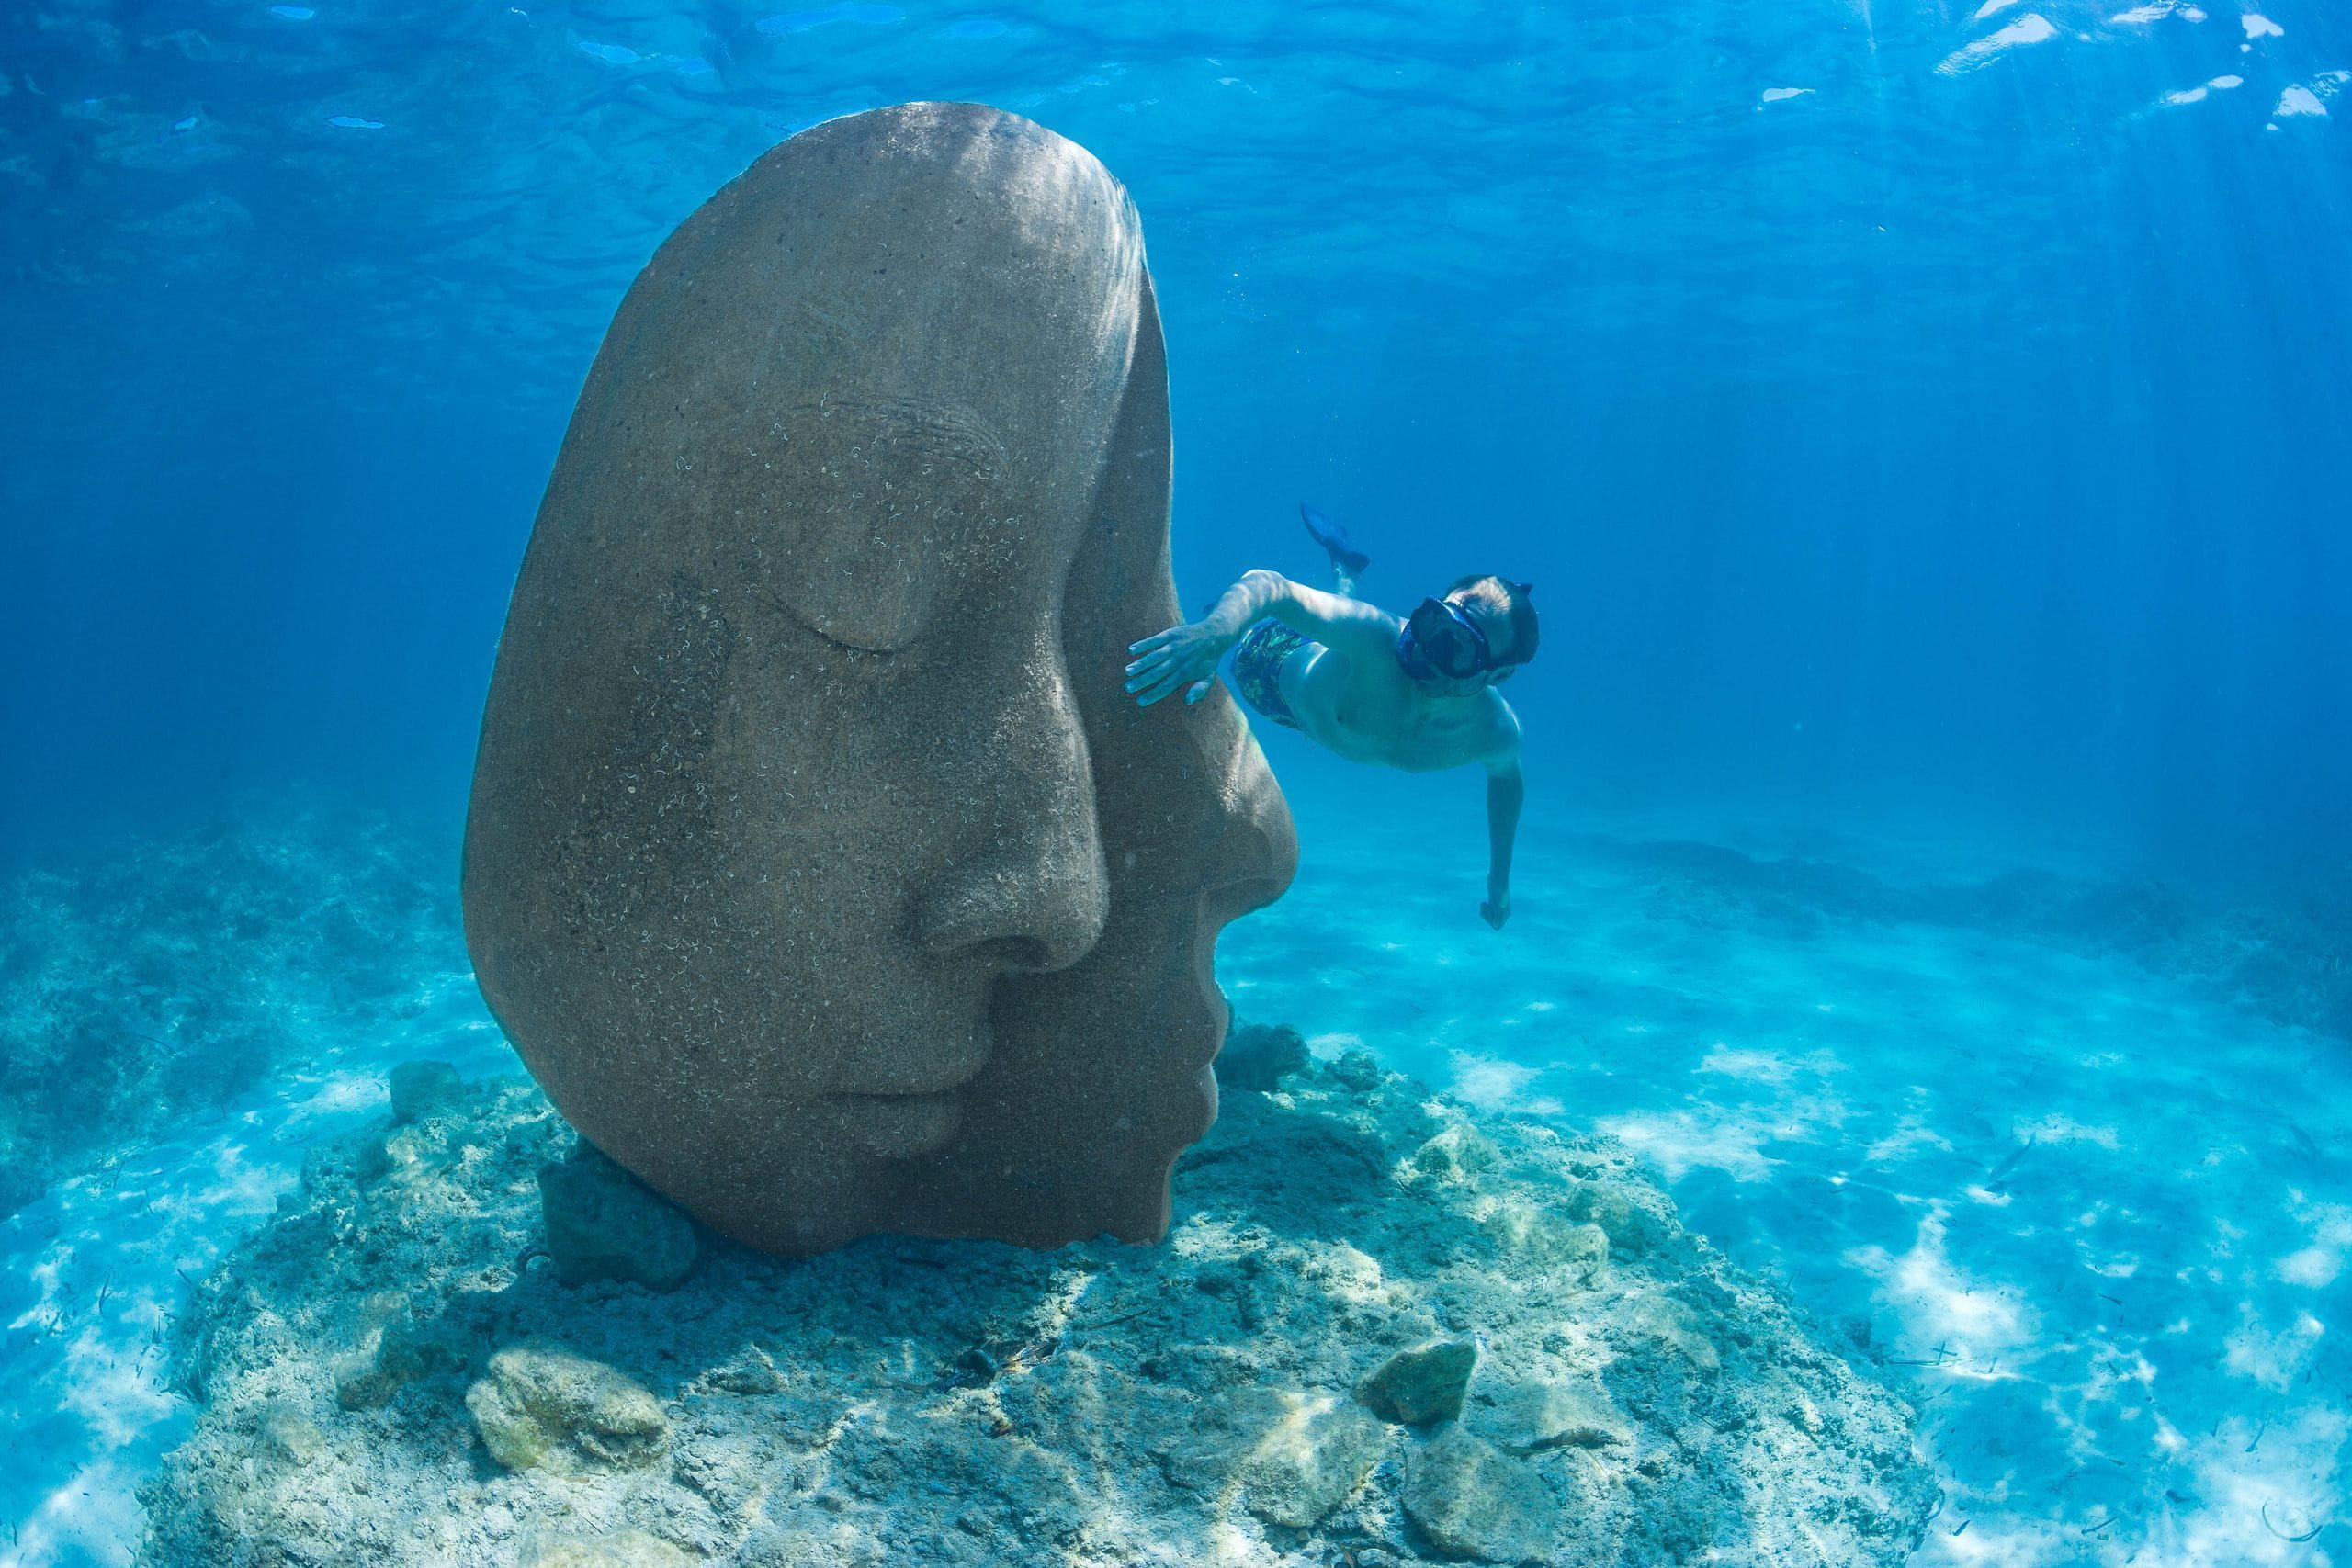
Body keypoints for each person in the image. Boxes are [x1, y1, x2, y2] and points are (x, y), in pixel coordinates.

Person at [1125, 504, 1536, 930]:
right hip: (1270, 664)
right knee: (1259, 625)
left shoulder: (1495, 731)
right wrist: (1215, 634)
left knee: (1339, 625)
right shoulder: (1380, 639)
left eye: (1459, 648)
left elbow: (1507, 778)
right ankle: (1326, 578)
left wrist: (1498, 879)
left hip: (1314, 701)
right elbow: (1268, 586)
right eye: (1433, 623)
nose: (1426, 650)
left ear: (1498, 675)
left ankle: (1344, 567)